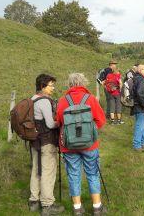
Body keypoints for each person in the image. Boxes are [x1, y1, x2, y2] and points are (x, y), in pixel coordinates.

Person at [56, 73, 107, 216]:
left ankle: (77, 208)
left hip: (68, 146)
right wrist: (90, 132)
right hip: (90, 145)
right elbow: (101, 120)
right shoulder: (90, 99)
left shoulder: (63, 100)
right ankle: (97, 207)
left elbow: (59, 121)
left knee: (73, 174)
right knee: (92, 173)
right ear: (84, 83)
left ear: (69, 84)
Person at [28, 74, 65, 216]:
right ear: (43, 86)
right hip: (46, 141)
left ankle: (34, 201)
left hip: (35, 141)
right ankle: (47, 204)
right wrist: (60, 122)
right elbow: (50, 124)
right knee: (48, 172)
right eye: (51, 85)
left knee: (36, 170)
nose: (53, 88)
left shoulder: (32, 99)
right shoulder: (44, 101)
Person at [131, 64, 144, 152]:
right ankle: (137, 145)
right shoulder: (141, 79)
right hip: (140, 105)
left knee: (142, 124)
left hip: (135, 104)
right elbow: (139, 93)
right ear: (140, 70)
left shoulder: (135, 78)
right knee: (139, 125)